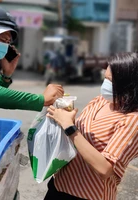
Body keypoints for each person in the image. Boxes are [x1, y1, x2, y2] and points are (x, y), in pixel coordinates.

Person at [45, 52, 138, 200]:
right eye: (105, 77)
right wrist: (63, 116)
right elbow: (79, 134)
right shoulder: (100, 101)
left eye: (111, 81)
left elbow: (105, 169)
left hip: (88, 195)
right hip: (59, 185)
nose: (105, 84)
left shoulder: (132, 121)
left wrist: (69, 126)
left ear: (129, 85)